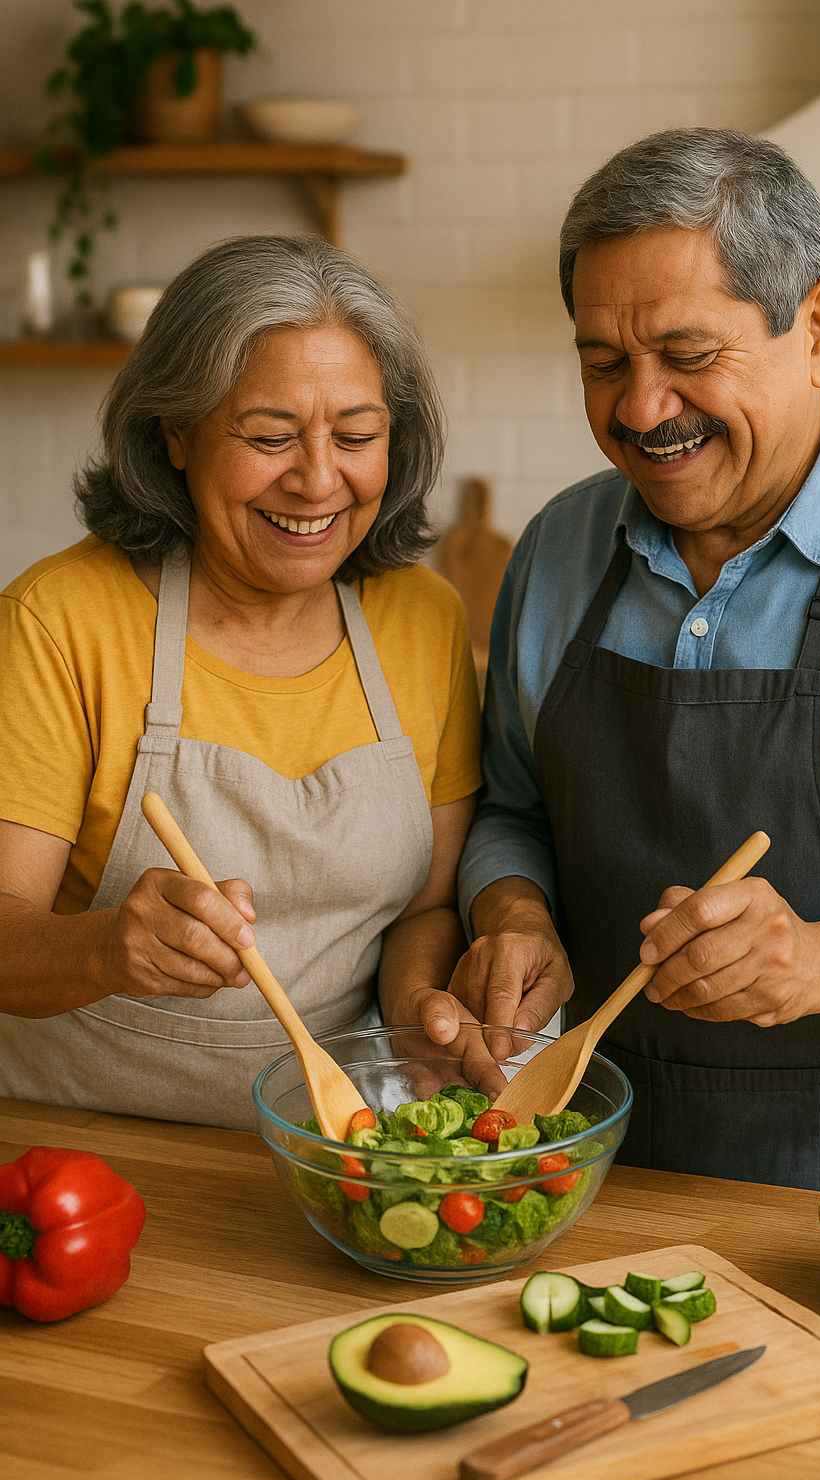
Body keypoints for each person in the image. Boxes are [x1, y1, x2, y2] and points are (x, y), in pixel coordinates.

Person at [450, 128, 820, 1190]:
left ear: (818, 326)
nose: (638, 410)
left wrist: (818, 962)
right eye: (603, 363)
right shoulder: (559, 550)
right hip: (575, 1176)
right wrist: (513, 913)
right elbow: (512, 811)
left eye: (688, 355)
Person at [0, 235, 488, 1129]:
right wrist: (108, 949)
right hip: (73, 1149)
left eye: (357, 436)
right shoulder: (59, 620)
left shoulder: (424, 620)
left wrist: (421, 1011)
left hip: (323, 1150)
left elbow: (424, 906)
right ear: (174, 434)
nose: (316, 481)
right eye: (268, 437)